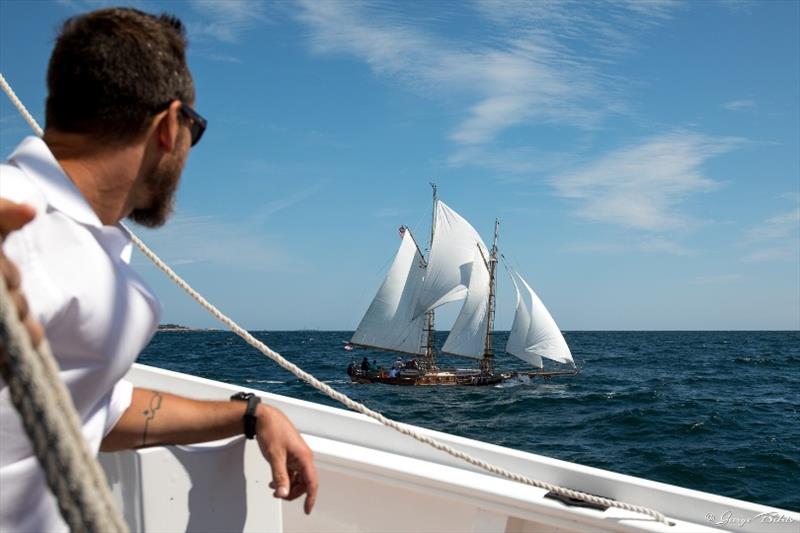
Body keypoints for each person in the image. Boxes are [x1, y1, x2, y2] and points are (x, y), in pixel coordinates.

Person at [0, 8, 317, 532]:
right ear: (170, 126)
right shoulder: (18, 216)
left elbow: (96, 409)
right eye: (198, 128)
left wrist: (251, 414)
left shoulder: (91, 241)